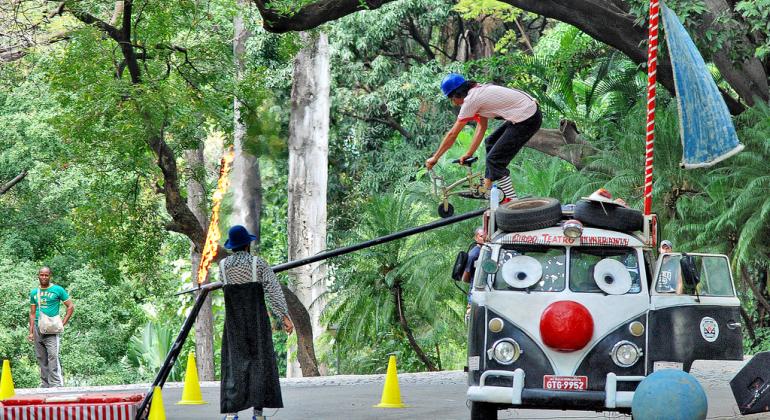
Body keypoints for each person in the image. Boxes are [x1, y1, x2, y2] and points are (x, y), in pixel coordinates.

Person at [425, 73, 542, 202]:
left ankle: (512, 202)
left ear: (456, 94)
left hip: (527, 118)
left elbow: (453, 134)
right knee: (490, 142)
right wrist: (469, 153)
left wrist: (435, 157)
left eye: (451, 99)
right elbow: (481, 127)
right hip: (526, 114)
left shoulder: (471, 100)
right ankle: (487, 188)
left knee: (494, 160)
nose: (453, 103)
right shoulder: (476, 93)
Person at [219, 225, 294, 420]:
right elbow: (273, 291)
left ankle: (231, 414)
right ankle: (258, 414)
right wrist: (284, 317)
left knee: (234, 365)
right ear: (247, 245)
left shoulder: (223, 267)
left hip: (234, 324)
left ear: (232, 246)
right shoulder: (258, 264)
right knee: (259, 364)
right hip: (257, 322)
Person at [28, 267, 74, 388]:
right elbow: (32, 313)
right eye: (41, 275)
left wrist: (62, 323)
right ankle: (45, 385)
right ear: (38, 276)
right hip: (38, 328)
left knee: (53, 356)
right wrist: (31, 332)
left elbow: (70, 306)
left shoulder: (57, 290)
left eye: (46, 275)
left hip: (52, 329)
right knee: (41, 357)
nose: (44, 277)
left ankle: (56, 384)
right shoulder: (34, 292)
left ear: (50, 276)